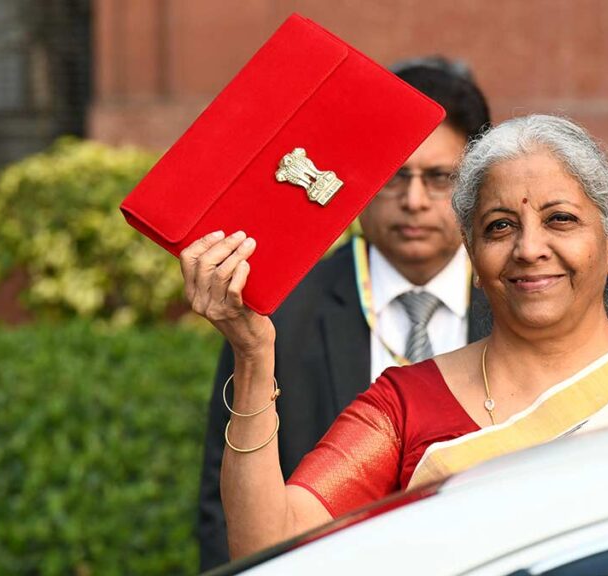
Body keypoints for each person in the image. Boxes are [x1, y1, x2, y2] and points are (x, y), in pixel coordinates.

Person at [181, 114, 608, 559]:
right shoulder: (404, 406)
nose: (530, 248)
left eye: (560, 219)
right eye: (500, 226)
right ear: (473, 254)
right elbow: (270, 547)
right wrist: (253, 356)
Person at [195, 61, 493, 571]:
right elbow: (223, 506)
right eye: (395, 174)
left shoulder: (521, 298)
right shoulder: (279, 311)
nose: (414, 201)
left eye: (439, 178)